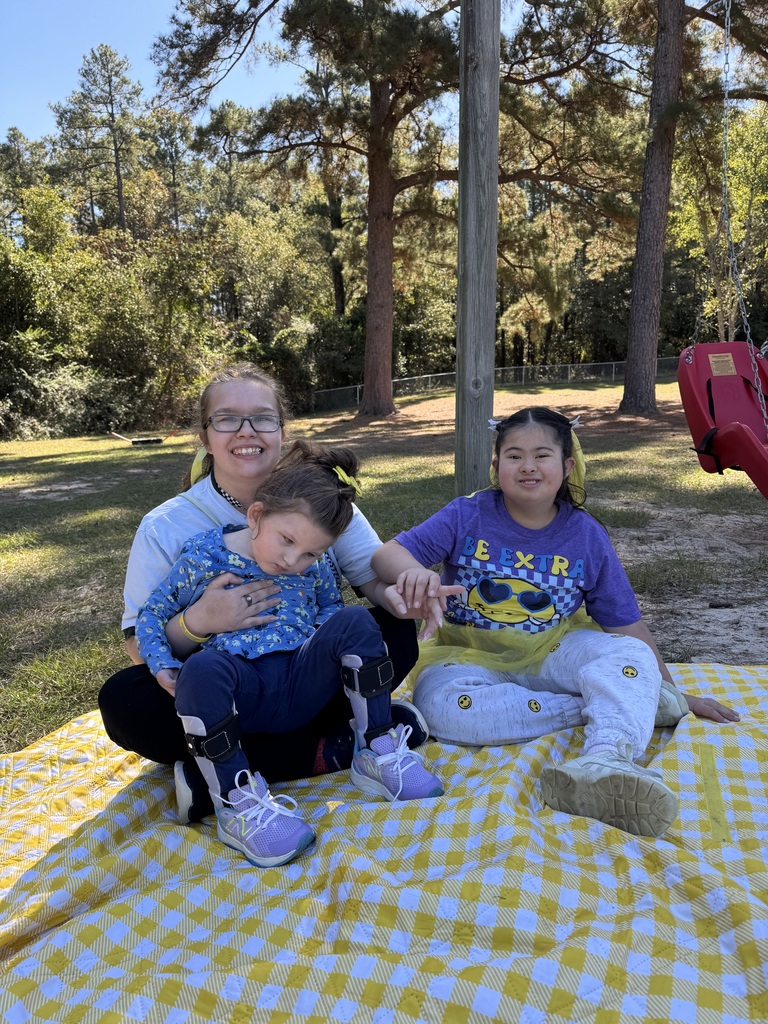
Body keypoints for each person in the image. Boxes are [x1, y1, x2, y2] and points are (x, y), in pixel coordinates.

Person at [371, 407, 740, 839]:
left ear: (567, 466)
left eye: (541, 455)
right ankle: (608, 704)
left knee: (628, 656)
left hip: (554, 652)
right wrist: (414, 572)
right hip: (470, 658)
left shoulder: (585, 534)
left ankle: (606, 757)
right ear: (495, 466)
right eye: (513, 455)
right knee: (437, 708)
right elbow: (384, 556)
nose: (527, 466)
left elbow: (627, 626)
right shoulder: (466, 514)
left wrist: (671, 689)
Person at [98, 363, 430, 823]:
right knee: (125, 701)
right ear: (205, 435)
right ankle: (326, 750)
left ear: (281, 429)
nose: (246, 431)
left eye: (262, 417)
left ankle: (220, 774)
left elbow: (371, 571)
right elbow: (140, 642)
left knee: (392, 629)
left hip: (303, 678)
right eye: (227, 418)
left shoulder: (319, 497)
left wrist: (408, 582)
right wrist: (200, 622)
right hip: (227, 689)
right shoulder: (169, 526)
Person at [136, 440, 442, 868]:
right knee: (201, 669)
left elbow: (331, 610)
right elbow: (151, 615)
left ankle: (376, 749)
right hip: (243, 694)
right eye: (287, 541)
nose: (293, 560)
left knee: (356, 621)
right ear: (257, 515)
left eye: (311, 553)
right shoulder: (203, 555)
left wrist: (332, 636)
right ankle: (235, 803)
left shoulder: (312, 566)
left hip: (304, 684)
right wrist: (163, 661)